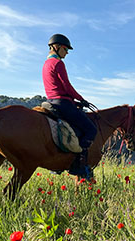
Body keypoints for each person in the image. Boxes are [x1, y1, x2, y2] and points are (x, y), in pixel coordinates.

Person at [42, 33, 97, 180]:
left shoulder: (46, 64)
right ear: (57, 47)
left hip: (52, 101)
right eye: (65, 49)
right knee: (91, 129)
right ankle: (78, 165)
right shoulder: (58, 64)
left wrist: (75, 102)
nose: (66, 52)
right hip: (62, 103)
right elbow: (67, 87)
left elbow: (59, 88)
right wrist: (81, 99)